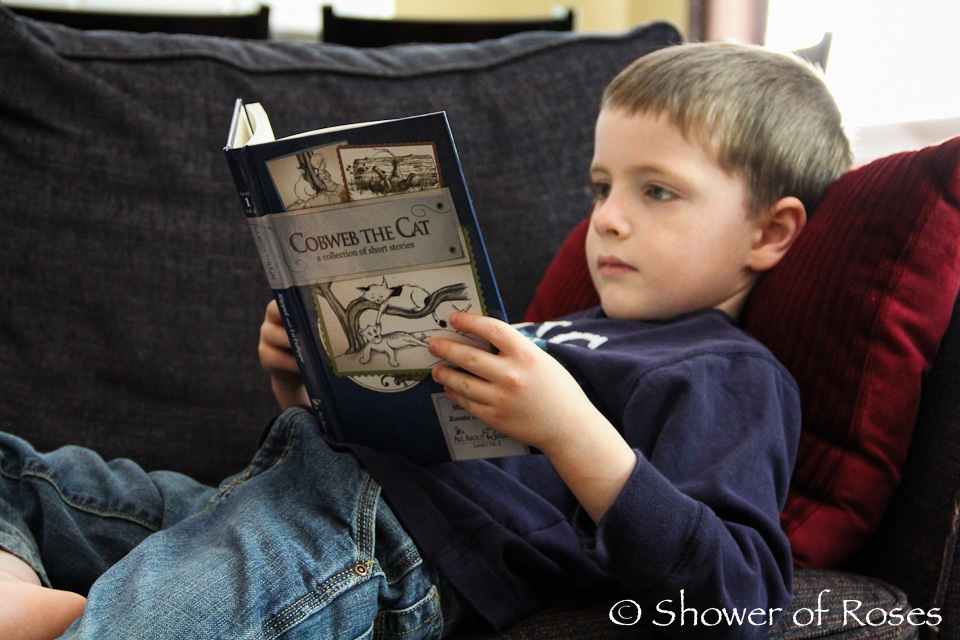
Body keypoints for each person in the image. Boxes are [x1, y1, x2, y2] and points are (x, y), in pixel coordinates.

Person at [0, 41, 851, 640]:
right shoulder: (559, 328)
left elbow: (739, 596)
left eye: (657, 191)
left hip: (390, 541)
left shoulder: (728, 372)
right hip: (288, 483)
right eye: (601, 187)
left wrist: (568, 427)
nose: (609, 219)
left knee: (216, 586)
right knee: (17, 470)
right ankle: (51, 605)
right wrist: (307, 378)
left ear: (769, 233)